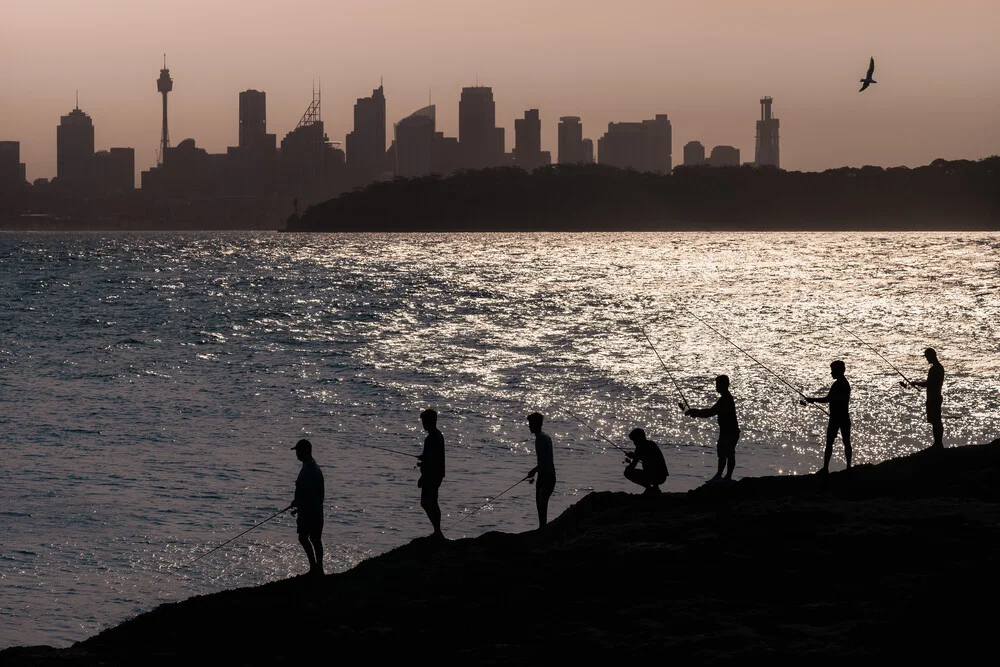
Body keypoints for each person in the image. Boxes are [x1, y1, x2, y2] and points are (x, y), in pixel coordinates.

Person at [685, 375, 741, 481]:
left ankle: (727, 477)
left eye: (718, 384)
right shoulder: (725, 398)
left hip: (731, 432)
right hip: (726, 432)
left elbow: (710, 412)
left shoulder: (726, 399)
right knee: (722, 453)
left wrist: (695, 412)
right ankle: (720, 476)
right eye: (716, 384)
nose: (716, 386)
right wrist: (696, 412)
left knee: (729, 453)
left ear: (725, 385)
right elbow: (710, 412)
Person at [803, 360, 852, 473]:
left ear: (839, 371)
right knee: (846, 442)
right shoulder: (844, 383)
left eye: (833, 370)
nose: (831, 373)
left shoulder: (839, 384)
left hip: (836, 418)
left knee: (830, 442)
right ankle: (848, 467)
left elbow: (828, 399)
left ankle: (826, 468)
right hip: (843, 417)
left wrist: (813, 399)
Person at [289, 439, 324, 576]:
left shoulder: (309, 469)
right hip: (313, 510)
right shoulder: (311, 466)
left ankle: (315, 568)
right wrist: (298, 505)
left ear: (304, 452)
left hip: (310, 512)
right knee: (314, 539)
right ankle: (317, 568)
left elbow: (308, 493)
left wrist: (298, 503)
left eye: (298, 450)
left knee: (305, 538)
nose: (296, 453)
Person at [417, 408, 446, 539]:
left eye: (423, 421)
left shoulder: (431, 438)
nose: (422, 424)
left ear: (428, 422)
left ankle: (437, 531)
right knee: (431, 502)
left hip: (432, 475)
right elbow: (433, 456)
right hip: (438, 473)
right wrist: (424, 458)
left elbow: (431, 460)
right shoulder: (438, 435)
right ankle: (437, 531)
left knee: (428, 502)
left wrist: (423, 476)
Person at [910, 348, 945, 449]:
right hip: (935, 396)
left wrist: (916, 383)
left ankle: (938, 443)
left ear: (931, 356)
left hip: (934, 398)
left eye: (927, 356)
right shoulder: (939, 368)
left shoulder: (935, 369)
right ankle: (938, 443)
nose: (926, 359)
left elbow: (929, 383)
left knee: (936, 421)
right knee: (936, 421)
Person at [525, 412, 556, 527]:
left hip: (545, 478)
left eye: (530, 423)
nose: (529, 426)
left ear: (535, 424)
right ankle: (542, 530)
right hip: (550, 476)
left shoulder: (540, 439)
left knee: (541, 507)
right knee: (542, 507)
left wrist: (533, 471)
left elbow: (544, 461)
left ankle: (542, 531)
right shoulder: (545, 437)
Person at [623, 428, 668, 494]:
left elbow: (634, 465)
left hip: (657, 476)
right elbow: (637, 463)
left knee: (627, 472)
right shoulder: (651, 444)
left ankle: (650, 489)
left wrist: (634, 458)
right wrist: (633, 458)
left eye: (635, 440)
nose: (634, 443)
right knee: (649, 469)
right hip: (661, 476)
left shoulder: (644, 447)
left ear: (639, 438)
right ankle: (655, 488)